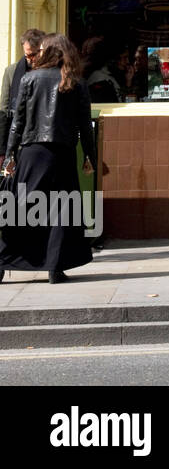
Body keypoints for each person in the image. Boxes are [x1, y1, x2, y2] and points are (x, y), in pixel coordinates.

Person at [0, 34, 96, 283]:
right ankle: (55, 267)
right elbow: (85, 125)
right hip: (63, 154)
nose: (39, 54)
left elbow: (17, 122)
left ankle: (4, 258)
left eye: (42, 50)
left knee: (21, 208)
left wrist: (9, 155)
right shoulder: (76, 82)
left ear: (51, 51)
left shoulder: (30, 78)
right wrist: (90, 156)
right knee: (62, 210)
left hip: (32, 152)